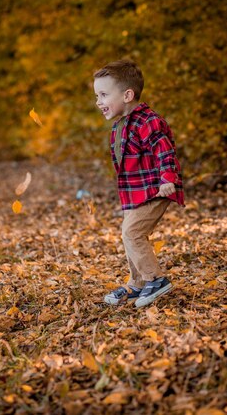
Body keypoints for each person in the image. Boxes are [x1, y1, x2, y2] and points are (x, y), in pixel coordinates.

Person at [93, 59, 184, 308]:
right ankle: (138, 283)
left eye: (103, 94)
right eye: (96, 96)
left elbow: (163, 150)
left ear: (127, 95)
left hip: (156, 189)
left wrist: (168, 179)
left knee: (132, 233)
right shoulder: (120, 125)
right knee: (129, 234)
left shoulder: (148, 121)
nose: (98, 101)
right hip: (135, 193)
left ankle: (155, 279)